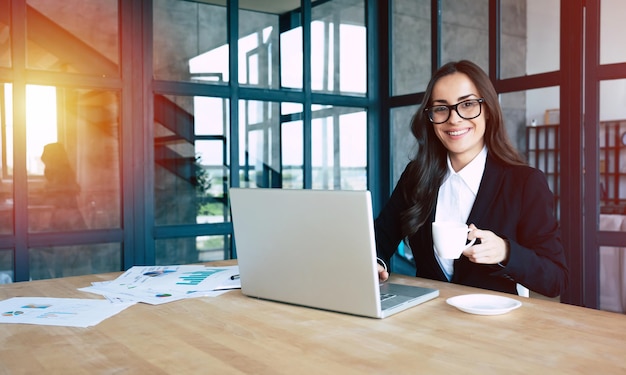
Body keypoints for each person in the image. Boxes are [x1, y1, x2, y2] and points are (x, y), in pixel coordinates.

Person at [374, 60, 568, 298]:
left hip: (492, 327)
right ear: (430, 118)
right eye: (441, 108)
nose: (454, 119)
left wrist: (507, 252)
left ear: (487, 110)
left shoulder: (524, 183)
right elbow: (380, 238)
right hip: (425, 322)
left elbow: (556, 279)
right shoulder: (416, 176)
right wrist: (377, 263)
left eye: (467, 104)